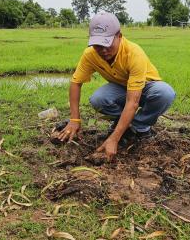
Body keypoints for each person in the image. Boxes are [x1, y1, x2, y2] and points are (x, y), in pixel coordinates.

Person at [56, 12, 176, 161]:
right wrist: (75, 120)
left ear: (119, 36)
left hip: (147, 88)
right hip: (121, 87)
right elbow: (75, 83)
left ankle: (139, 127)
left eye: (107, 44)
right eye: (98, 45)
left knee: (165, 93)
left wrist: (114, 139)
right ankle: (125, 126)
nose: (103, 50)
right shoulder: (90, 55)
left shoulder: (134, 53)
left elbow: (133, 102)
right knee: (98, 99)